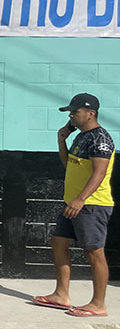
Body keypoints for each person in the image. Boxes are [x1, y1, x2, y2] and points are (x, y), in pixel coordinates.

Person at [33, 93, 114, 317]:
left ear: (91, 113)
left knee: (94, 251)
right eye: (70, 112)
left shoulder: (101, 139)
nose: (71, 116)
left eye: (75, 112)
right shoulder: (81, 137)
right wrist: (62, 140)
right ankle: (61, 295)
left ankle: (98, 304)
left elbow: (99, 173)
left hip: (91, 205)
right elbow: (68, 164)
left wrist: (81, 199)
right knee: (59, 242)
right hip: (72, 203)